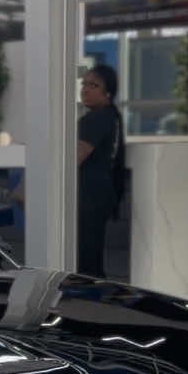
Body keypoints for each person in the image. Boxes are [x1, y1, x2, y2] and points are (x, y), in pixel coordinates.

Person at [77, 64, 126, 277]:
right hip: (100, 195)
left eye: (93, 85)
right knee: (89, 257)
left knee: (86, 261)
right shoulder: (111, 116)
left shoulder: (95, 119)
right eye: (84, 84)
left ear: (108, 92)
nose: (85, 89)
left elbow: (72, 159)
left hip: (89, 197)